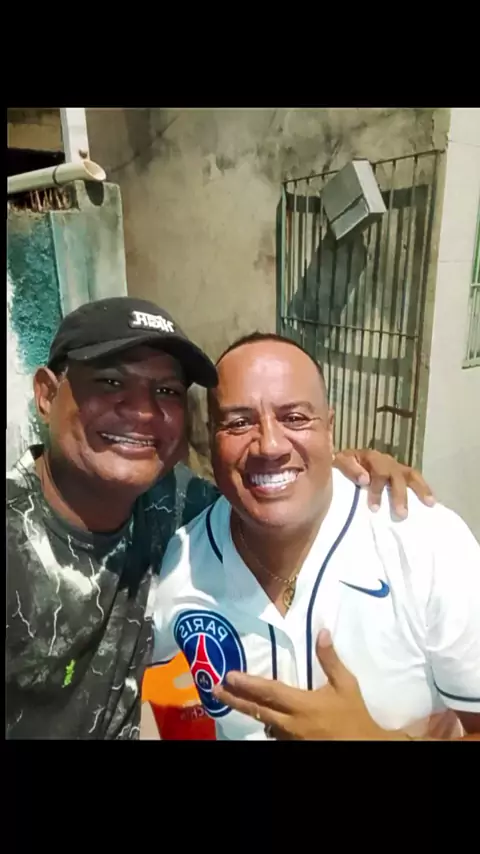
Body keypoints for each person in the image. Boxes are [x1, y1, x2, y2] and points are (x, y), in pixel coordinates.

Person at [5, 299, 433, 740]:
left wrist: (337, 467)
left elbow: (268, 486)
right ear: (46, 394)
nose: (143, 411)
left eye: (167, 391)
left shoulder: (177, 506)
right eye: (111, 381)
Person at [153, 332, 480, 741]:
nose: (270, 445)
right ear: (210, 436)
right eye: (238, 422)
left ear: (330, 428)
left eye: (294, 418)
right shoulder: (180, 559)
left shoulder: (425, 542)